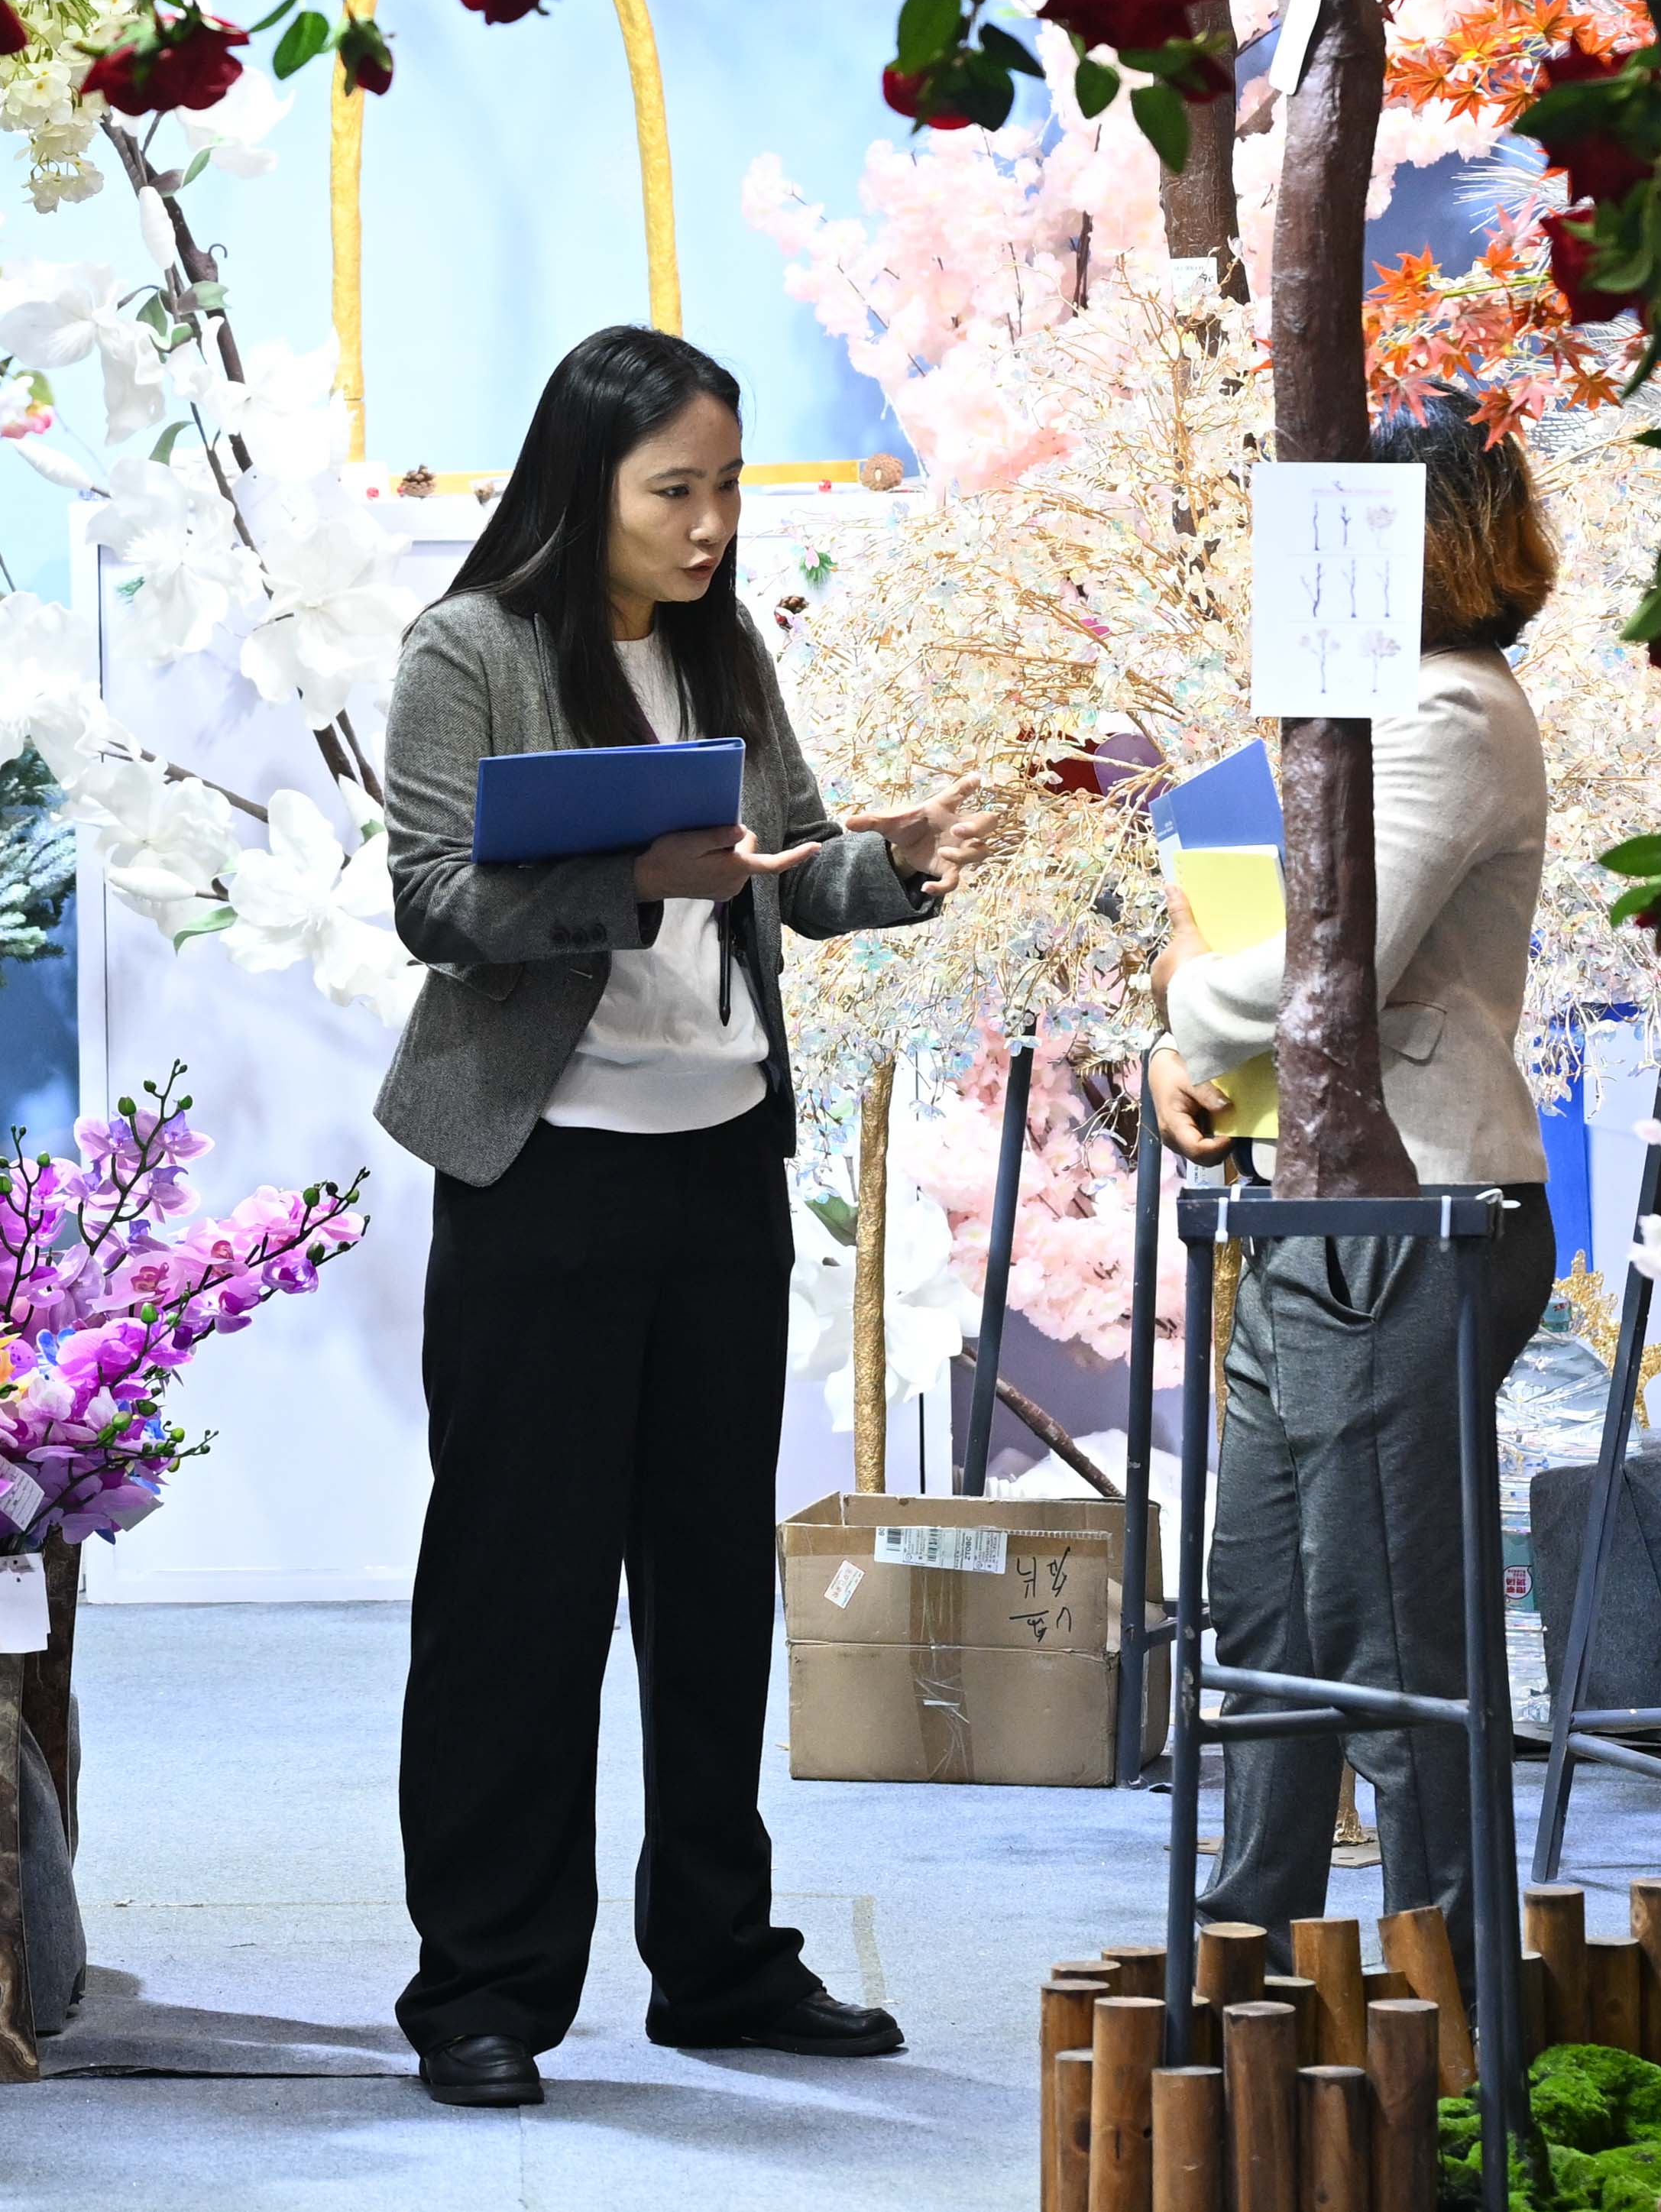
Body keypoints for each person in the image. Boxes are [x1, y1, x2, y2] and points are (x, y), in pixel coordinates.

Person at [377, 322, 975, 2111]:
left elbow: (790, 869)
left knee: (712, 1591)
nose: (713, 522)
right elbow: (429, 899)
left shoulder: (723, 647)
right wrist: (627, 877)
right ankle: (483, 1989)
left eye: (726, 484)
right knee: (517, 1596)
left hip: (721, 1167)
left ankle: (716, 1961)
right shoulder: (467, 649)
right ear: (587, 483)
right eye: (677, 489)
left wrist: (906, 864)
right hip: (542, 1175)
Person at [1151, 412, 1561, 1938]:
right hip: (1311, 1204)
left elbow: (1334, 968)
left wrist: (1189, 987)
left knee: (1386, 1623)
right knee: (1263, 1599)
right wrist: (1187, 1012)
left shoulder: (1454, 710)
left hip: (1422, 1208)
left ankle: (1455, 1997)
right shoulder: (1372, 712)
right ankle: (1254, 1957)